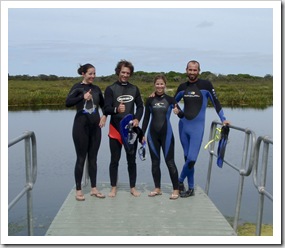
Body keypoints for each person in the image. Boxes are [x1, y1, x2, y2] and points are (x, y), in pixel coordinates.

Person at [175, 60, 230, 198]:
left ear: (199, 71)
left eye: (195, 70)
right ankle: (191, 188)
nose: (192, 72)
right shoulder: (182, 87)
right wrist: (179, 112)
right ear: (186, 70)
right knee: (187, 158)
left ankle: (180, 181)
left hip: (197, 128)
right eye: (190, 70)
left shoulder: (206, 85)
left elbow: (216, 103)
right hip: (183, 126)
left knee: (192, 159)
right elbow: (172, 102)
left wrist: (223, 119)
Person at [66, 63, 107, 201]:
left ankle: (94, 188)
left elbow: (104, 105)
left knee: (93, 159)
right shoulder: (77, 88)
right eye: (90, 73)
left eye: (94, 73)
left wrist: (104, 116)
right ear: (83, 74)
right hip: (80, 127)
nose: (93, 76)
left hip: (95, 127)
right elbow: (68, 102)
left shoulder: (96, 89)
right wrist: (82, 97)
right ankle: (78, 190)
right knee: (81, 158)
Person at [104, 60, 144, 197]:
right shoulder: (110, 89)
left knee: (131, 161)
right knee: (114, 160)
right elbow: (106, 108)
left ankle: (132, 187)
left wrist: (138, 118)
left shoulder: (134, 89)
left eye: (128, 73)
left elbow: (140, 106)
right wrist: (116, 109)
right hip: (115, 130)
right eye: (123, 72)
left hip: (130, 131)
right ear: (118, 72)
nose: (125, 75)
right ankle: (113, 187)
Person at [141, 75, 184, 200]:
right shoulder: (149, 100)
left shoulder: (171, 100)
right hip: (152, 135)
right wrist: (141, 133)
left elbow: (182, 115)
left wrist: (178, 112)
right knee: (155, 163)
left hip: (167, 135)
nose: (159, 86)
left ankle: (176, 189)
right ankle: (157, 188)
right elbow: (146, 118)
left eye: (162, 84)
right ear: (154, 85)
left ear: (165, 85)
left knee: (170, 162)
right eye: (157, 84)